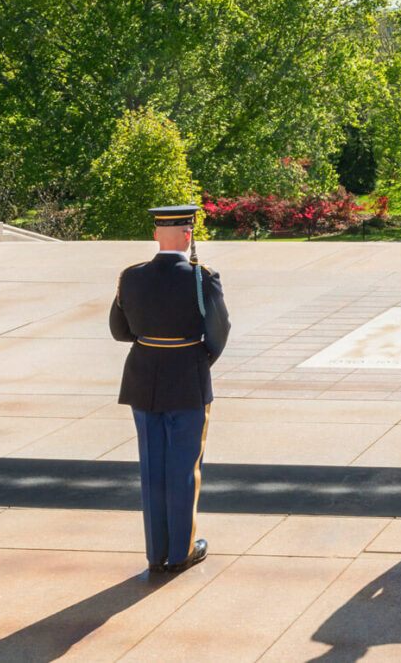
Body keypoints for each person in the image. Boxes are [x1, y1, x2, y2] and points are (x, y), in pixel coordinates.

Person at [109, 205, 230, 574]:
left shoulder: (131, 276)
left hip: (143, 376)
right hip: (187, 378)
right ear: (188, 235)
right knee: (183, 467)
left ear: (157, 234)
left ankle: (155, 553)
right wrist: (197, 359)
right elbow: (219, 332)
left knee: (152, 467)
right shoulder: (201, 277)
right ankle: (181, 552)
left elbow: (119, 330)